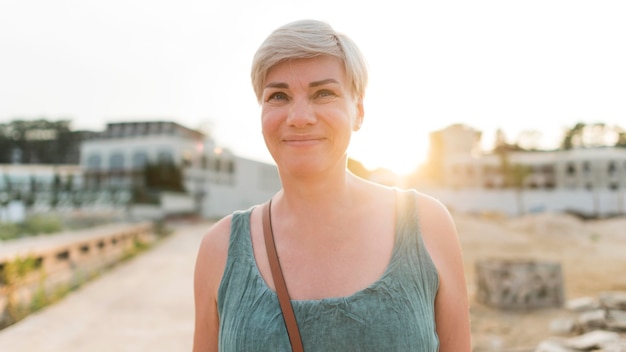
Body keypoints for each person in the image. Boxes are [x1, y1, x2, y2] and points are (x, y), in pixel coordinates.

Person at [193, 19, 471, 351]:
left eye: (323, 93)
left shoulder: (426, 225)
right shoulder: (220, 250)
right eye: (278, 96)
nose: (299, 116)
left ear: (359, 111)